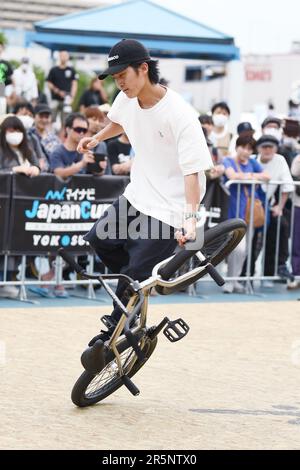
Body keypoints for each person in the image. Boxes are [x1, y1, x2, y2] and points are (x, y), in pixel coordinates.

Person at [77, 38, 213, 343]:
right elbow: (117, 122)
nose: (119, 82)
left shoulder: (181, 114)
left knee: (136, 270)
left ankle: (117, 321)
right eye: (114, 77)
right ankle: (137, 291)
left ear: (144, 68)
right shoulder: (125, 98)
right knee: (100, 240)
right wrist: (97, 138)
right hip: (138, 195)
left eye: (123, 74)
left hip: (171, 206)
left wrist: (190, 219)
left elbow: (193, 172)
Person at [222, 136, 270, 293]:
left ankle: (234, 280)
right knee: (237, 248)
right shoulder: (228, 160)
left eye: (250, 149)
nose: (246, 151)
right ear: (237, 147)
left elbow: (267, 176)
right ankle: (229, 280)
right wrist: (252, 177)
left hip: (250, 212)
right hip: (234, 212)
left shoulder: (253, 163)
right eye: (243, 147)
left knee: (247, 249)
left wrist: (248, 176)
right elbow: (232, 176)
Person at [0, 115, 40, 298]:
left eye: (17, 130)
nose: (14, 134)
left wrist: (35, 169)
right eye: (10, 130)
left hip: (21, 208)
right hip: (4, 206)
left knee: (17, 242)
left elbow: (38, 165)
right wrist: (13, 171)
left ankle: (10, 278)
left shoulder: (27, 150)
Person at [256, 135, 295, 286]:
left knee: (281, 226)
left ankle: (273, 270)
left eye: (270, 147)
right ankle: (244, 275)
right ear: (259, 148)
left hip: (269, 205)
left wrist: (279, 207)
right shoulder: (253, 159)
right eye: (264, 147)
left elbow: (287, 185)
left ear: (276, 148)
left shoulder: (280, 160)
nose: (267, 150)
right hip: (251, 208)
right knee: (253, 243)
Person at [49, 112, 106, 178]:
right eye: (78, 130)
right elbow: (59, 173)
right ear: (68, 129)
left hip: (85, 187)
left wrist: (100, 168)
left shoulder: (87, 150)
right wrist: (82, 164)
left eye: (84, 130)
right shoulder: (57, 152)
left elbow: (96, 174)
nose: (81, 133)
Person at [14, 101, 48, 171]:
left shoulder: (32, 138)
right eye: (24, 114)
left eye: (30, 116)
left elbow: (42, 160)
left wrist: (38, 168)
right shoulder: (5, 137)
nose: (26, 118)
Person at [46, 51, 78, 125]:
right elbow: (49, 83)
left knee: (66, 121)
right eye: (62, 56)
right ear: (59, 57)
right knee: (51, 119)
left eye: (65, 56)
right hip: (55, 98)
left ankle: (63, 135)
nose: (64, 57)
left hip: (67, 99)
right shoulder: (53, 70)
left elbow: (74, 84)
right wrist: (57, 91)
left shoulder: (71, 70)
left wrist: (72, 97)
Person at [290, 155, 300, 287]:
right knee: (297, 243)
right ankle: (297, 274)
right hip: (299, 205)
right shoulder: (298, 159)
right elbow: (294, 175)